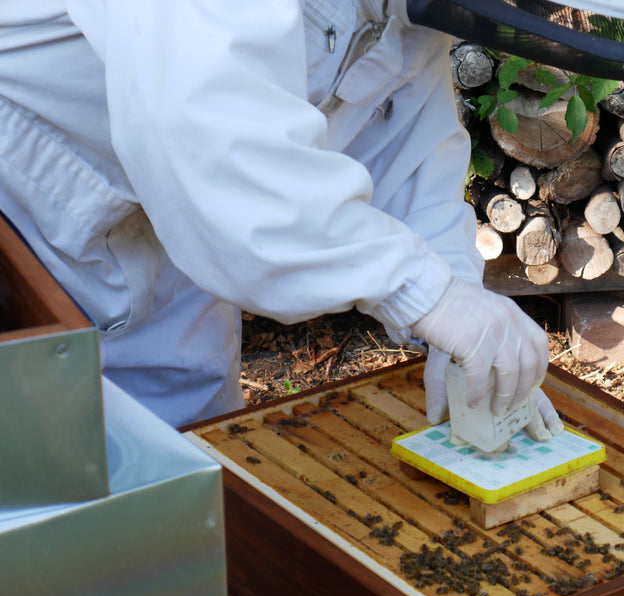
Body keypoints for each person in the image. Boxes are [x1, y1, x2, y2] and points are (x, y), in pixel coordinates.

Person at [0, 1, 560, 437]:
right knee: (41, 483)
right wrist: (426, 294)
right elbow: (211, 134)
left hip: (174, 217)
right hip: (32, 189)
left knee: (185, 464)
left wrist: (459, 309)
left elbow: (404, 136)